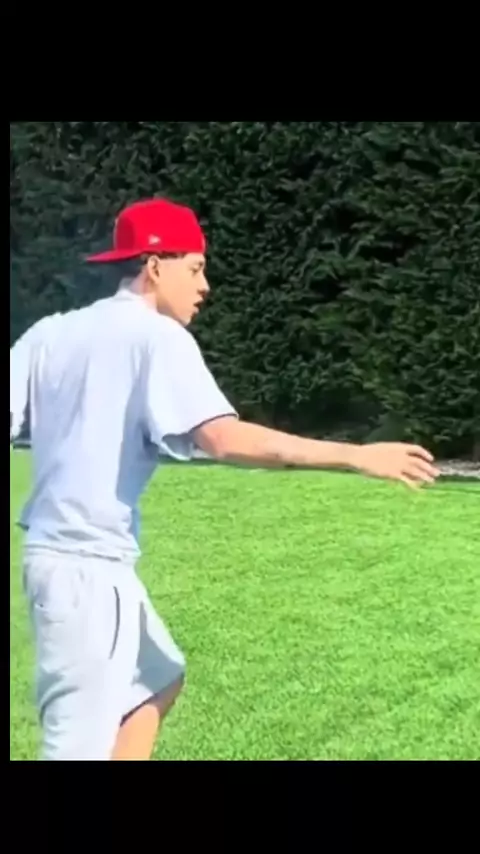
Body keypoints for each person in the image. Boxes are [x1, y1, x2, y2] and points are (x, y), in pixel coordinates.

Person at [10, 197, 440, 760]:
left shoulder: (50, 332)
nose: (205, 285)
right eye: (195, 268)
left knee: (157, 678)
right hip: (88, 575)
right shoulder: (157, 336)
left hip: (61, 565)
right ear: (155, 266)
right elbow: (223, 437)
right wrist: (356, 456)